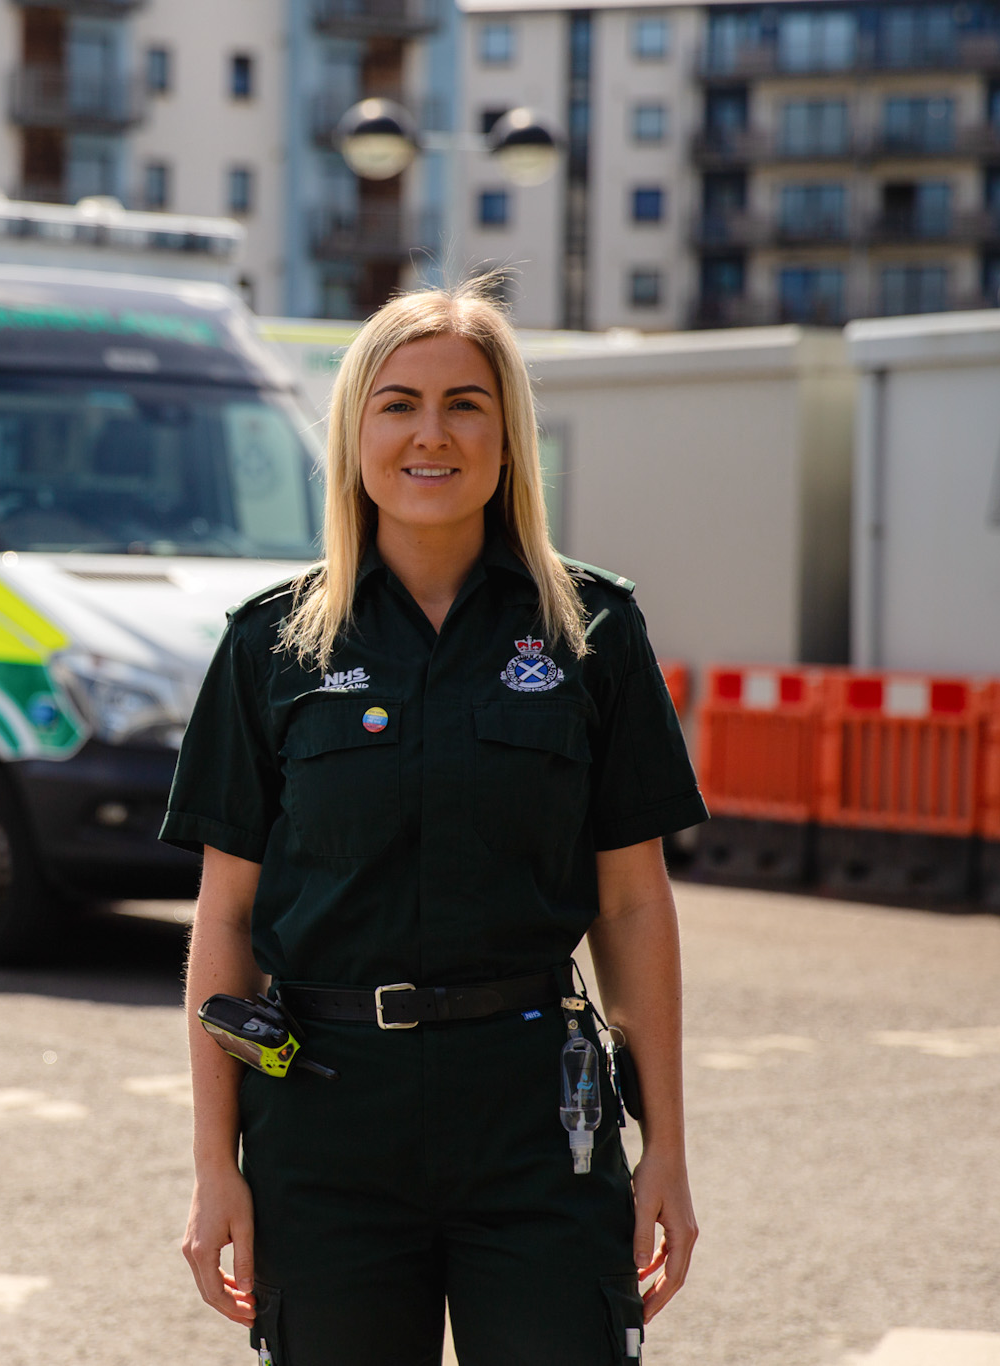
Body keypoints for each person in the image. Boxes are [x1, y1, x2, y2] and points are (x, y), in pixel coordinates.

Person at [160, 284, 706, 1365]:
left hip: (536, 1126)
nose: (429, 433)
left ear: (506, 437)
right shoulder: (270, 646)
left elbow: (632, 902)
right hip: (323, 1127)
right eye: (397, 403)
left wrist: (667, 1151)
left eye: (464, 404)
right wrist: (212, 1164)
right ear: (353, 433)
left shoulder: (591, 631)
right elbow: (225, 920)